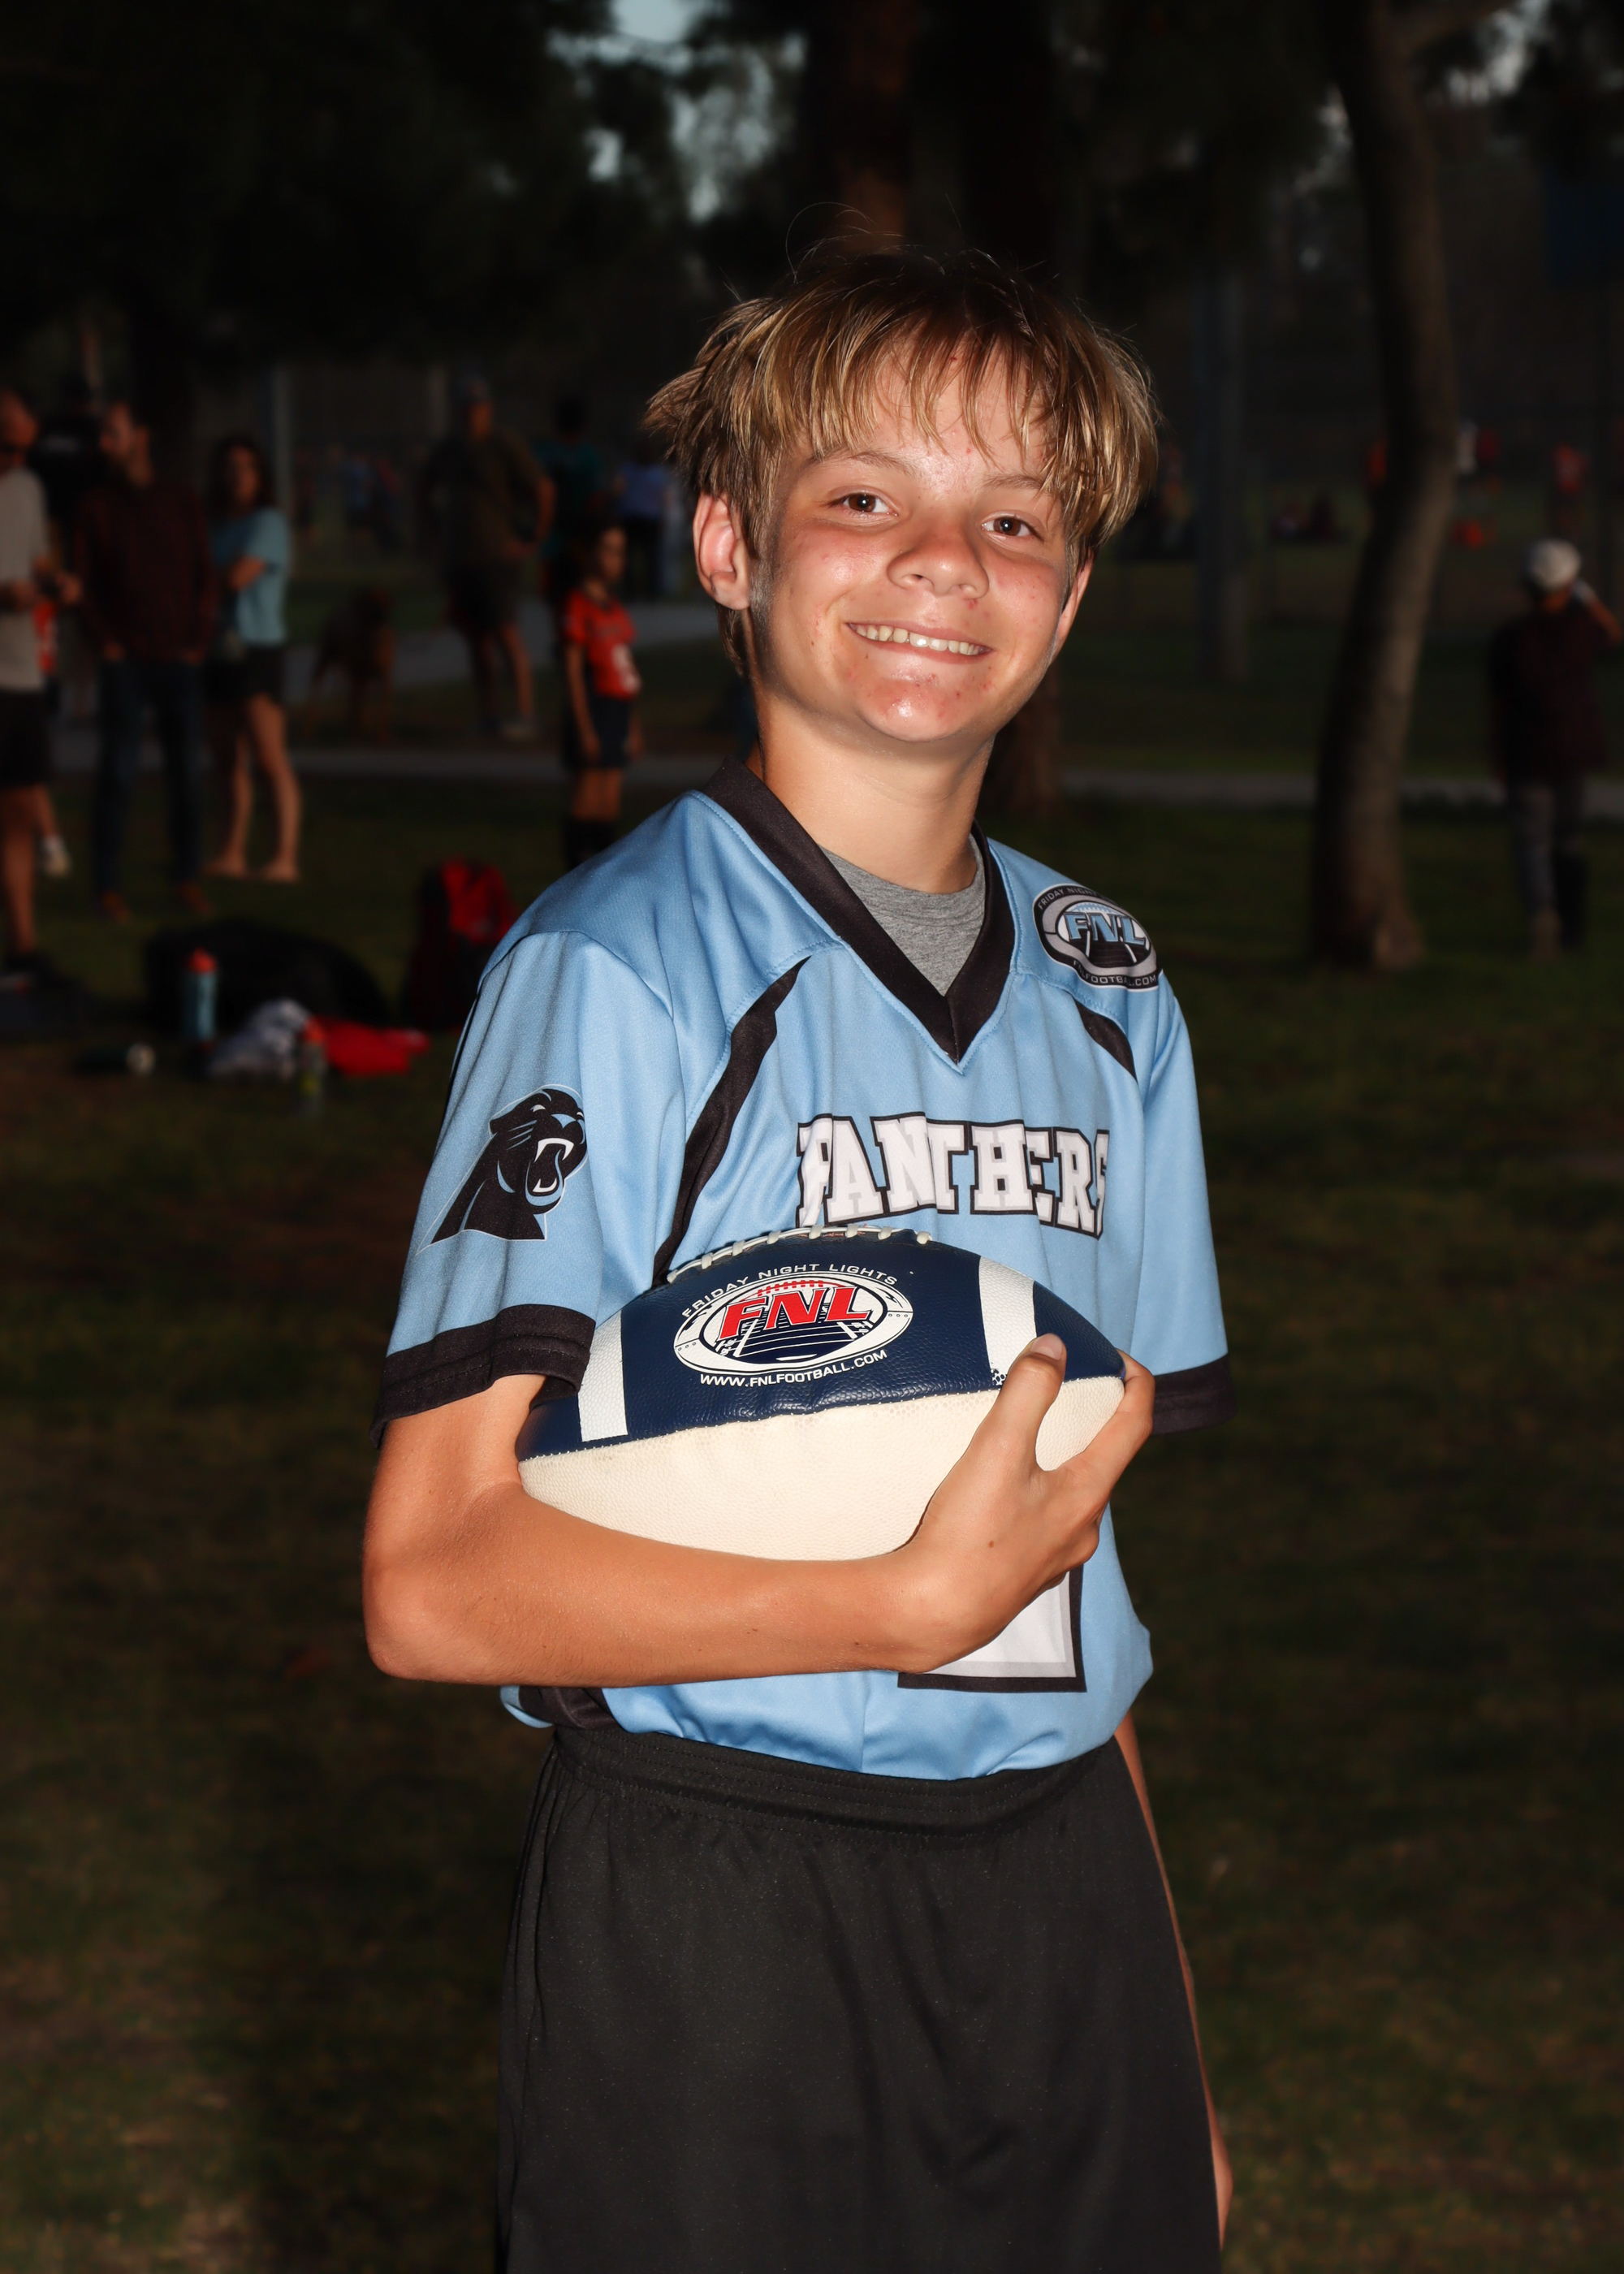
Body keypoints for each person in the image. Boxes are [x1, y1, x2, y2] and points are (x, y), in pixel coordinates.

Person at [366, 249, 1237, 2272]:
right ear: (729, 546)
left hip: (1059, 1894)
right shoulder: (614, 974)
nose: (941, 559)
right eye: (863, 495)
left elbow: (1068, 1566)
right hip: (719, 1902)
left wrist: (1167, 2045)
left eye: (1012, 518)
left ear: (1066, 596)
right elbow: (426, 1581)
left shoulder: (1113, 991)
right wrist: (880, 1603)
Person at [76, 400, 214, 922]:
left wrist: (197, 640)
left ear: (141, 437)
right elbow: (83, 582)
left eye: (114, 432)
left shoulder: (180, 500)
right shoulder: (97, 506)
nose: (106, 443)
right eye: (102, 434)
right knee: (117, 772)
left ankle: (186, 878)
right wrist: (103, 642)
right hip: (127, 659)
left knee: (186, 776)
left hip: (178, 657)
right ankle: (106, 887)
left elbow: (204, 573)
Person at [1488, 537, 1621, 956]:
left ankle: (1542, 917)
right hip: (1571, 751)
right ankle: (1572, 928)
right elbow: (1612, 634)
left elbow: (1497, 704)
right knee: (1567, 839)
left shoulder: (1509, 638)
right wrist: (1587, 596)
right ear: (1567, 585)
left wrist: (1498, 755)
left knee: (1532, 842)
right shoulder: (1578, 631)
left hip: (1526, 753)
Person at [418, 375, 552, 741]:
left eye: (477, 408)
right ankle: (489, 714)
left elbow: (542, 489)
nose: (471, 415)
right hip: (462, 556)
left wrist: (533, 538)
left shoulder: (503, 444)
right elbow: (424, 488)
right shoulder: (449, 449)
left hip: (497, 555)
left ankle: (524, 712)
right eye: (466, 409)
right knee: (476, 639)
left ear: (488, 409)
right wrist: (434, 536)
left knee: (505, 633)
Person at [0, 387, 79, 978]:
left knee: (18, 811)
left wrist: (57, 582)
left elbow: (35, 561)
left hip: (19, 671)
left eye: (24, 449)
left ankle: (24, 946)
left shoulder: (27, 488)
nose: (15, 459)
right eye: (5, 448)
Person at [201, 431, 300, 883]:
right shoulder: (214, 524)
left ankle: (284, 856)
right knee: (225, 757)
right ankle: (231, 851)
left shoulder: (269, 523)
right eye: (230, 467)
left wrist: (201, 578)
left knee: (268, 755)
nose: (238, 476)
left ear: (261, 476)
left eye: (247, 467)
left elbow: (237, 576)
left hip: (257, 647)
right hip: (217, 647)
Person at [558, 520, 641, 869]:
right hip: (594, 707)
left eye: (620, 552)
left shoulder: (614, 606)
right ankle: (575, 872)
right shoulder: (578, 604)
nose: (614, 560)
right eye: (607, 550)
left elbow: (625, 670)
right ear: (589, 553)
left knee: (609, 800)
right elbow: (573, 673)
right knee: (587, 797)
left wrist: (633, 726)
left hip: (617, 709)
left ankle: (601, 875)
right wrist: (584, 727)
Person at [538, 394, 607, 614]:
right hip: (578, 536)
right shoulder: (587, 456)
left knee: (556, 598)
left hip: (552, 535)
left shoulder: (545, 453)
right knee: (581, 593)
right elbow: (596, 497)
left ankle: (563, 629)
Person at [615, 434, 670, 598]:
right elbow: (618, 491)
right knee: (634, 557)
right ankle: (634, 590)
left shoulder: (655, 472)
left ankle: (648, 591)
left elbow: (664, 499)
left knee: (649, 557)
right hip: (635, 518)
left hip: (645, 518)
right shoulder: (631, 470)